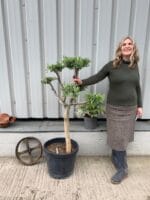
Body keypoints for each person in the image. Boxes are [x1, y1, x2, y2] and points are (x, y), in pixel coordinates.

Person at [73, 36, 143, 184]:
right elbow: (97, 77)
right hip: (114, 109)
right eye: (124, 44)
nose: (127, 46)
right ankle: (122, 167)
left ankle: (120, 165)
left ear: (133, 48)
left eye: (130, 44)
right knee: (116, 137)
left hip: (130, 109)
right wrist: (82, 82)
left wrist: (140, 106)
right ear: (120, 48)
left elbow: (137, 87)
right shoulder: (112, 65)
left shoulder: (134, 65)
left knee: (123, 138)